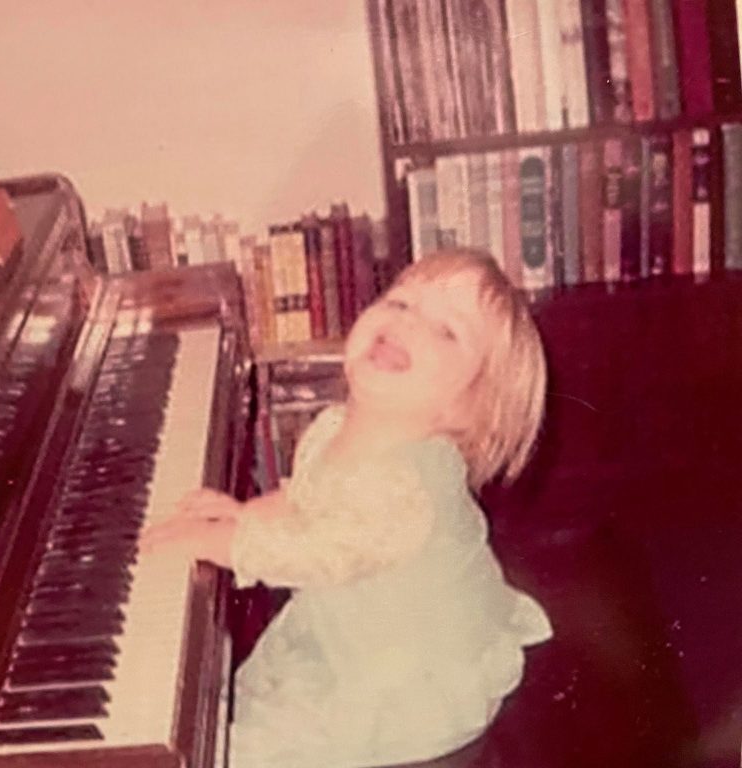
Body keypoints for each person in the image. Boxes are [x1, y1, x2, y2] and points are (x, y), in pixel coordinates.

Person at [141, 248, 552, 767]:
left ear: (468, 411)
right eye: (399, 301)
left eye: (446, 332)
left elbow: (319, 553)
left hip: (404, 684)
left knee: (244, 755)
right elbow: (307, 496)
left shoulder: (405, 488)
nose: (406, 324)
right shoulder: (335, 425)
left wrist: (218, 543)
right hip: (366, 626)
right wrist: (246, 515)